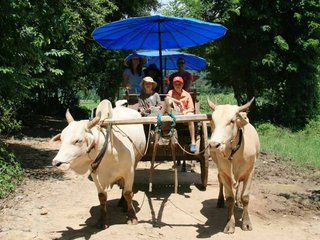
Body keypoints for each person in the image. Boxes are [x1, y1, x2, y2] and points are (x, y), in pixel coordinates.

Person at [166, 76, 196, 152]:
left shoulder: (187, 95)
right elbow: (167, 100)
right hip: (173, 114)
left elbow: (191, 108)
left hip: (185, 114)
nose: (177, 86)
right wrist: (177, 101)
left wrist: (185, 112)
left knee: (190, 117)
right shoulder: (171, 92)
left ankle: (193, 142)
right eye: (175, 84)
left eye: (179, 84)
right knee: (169, 101)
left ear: (182, 85)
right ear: (173, 85)